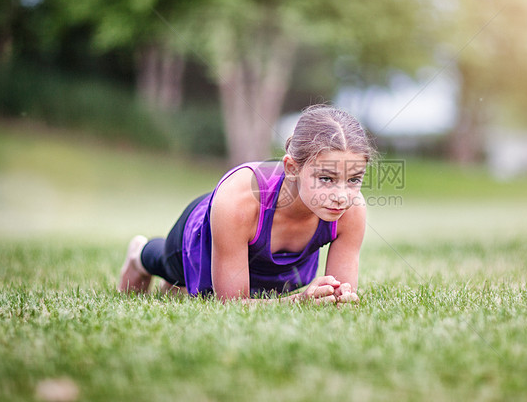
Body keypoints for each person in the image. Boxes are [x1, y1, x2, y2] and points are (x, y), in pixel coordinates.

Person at [118, 104, 374, 305]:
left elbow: (341, 296)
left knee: (253, 289)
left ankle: (180, 288)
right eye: (326, 179)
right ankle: (140, 254)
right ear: (292, 168)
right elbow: (230, 304)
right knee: (171, 268)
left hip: (270, 269)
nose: (342, 195)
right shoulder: (239, 200)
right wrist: (299, 301)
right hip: (200, 242)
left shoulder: (351, 209)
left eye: (353, 179)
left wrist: (336, 297)